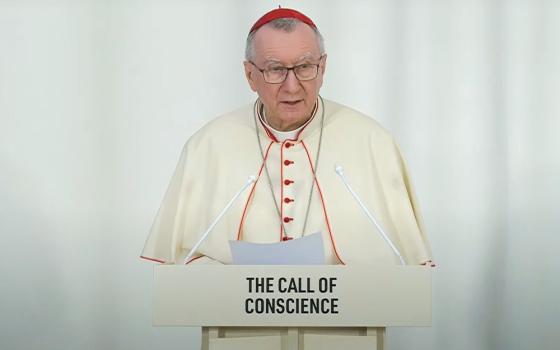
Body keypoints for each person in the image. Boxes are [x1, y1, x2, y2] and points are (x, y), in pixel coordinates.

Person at [140, 8, 434, 267]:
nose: (292, 86)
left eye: (305, 67)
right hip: (242, 327)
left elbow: (402, 265)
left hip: (343, 326)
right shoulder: (207, 147)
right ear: (250, 75)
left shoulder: (373, 143)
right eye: (276, 69)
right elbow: (180, 264)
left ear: (323, 68)